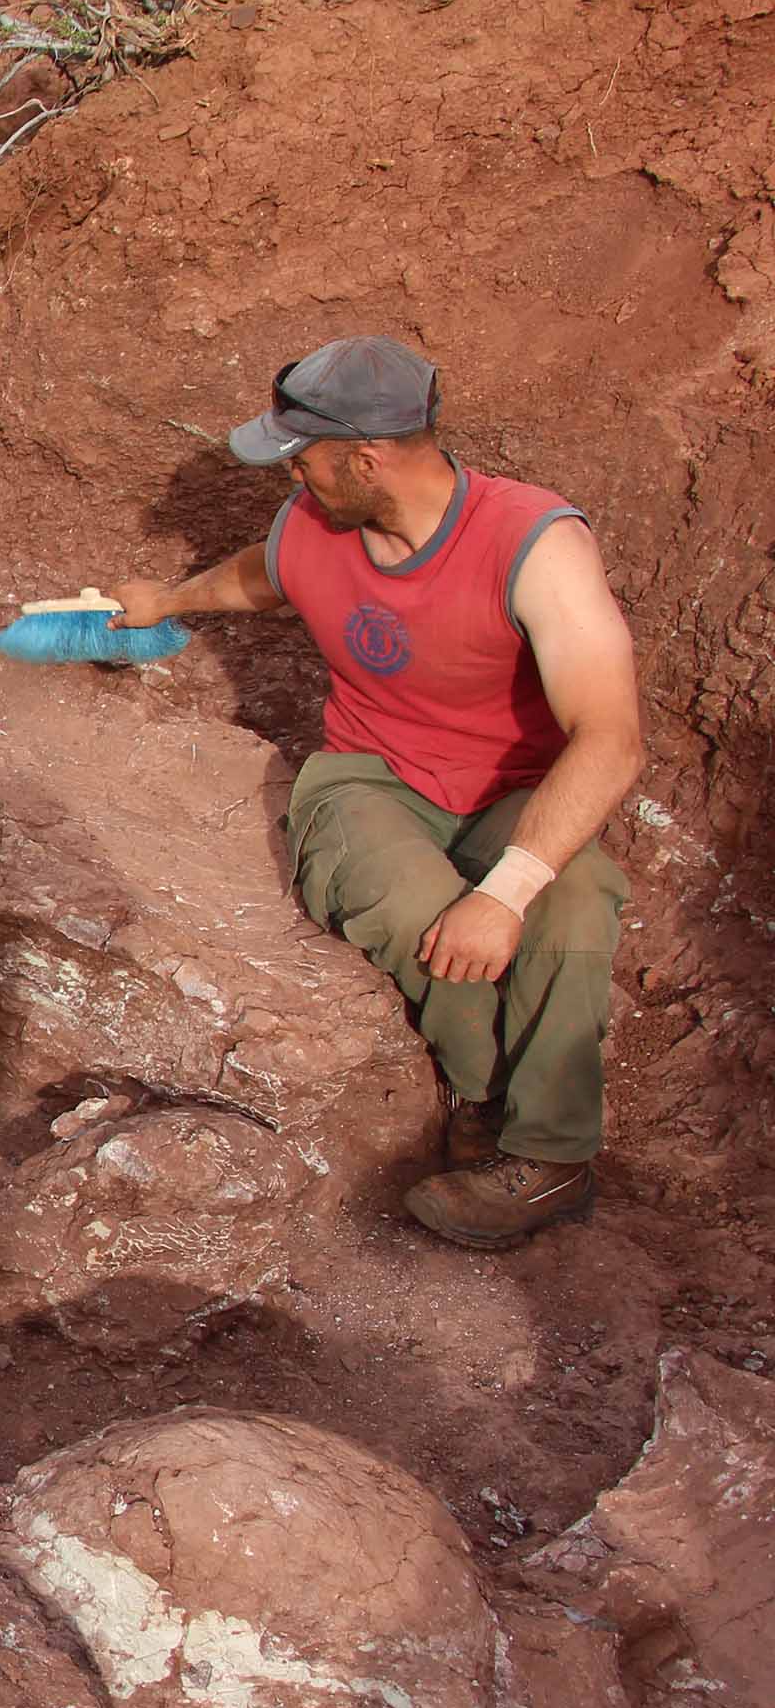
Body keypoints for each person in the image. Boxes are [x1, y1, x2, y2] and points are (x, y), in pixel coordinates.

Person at [105, 336, 645, 1250]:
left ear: (366, 456)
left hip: (518, 785)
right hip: (372, 776)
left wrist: (508, 893)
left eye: (302, 459)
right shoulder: (315, 527)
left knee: (574, 899)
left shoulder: (535, 542)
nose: (293, 478)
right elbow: (261, 576)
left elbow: (612, 738)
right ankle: (487, 1101)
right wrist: (167, 599)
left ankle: (549, 1161)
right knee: (407, 904)